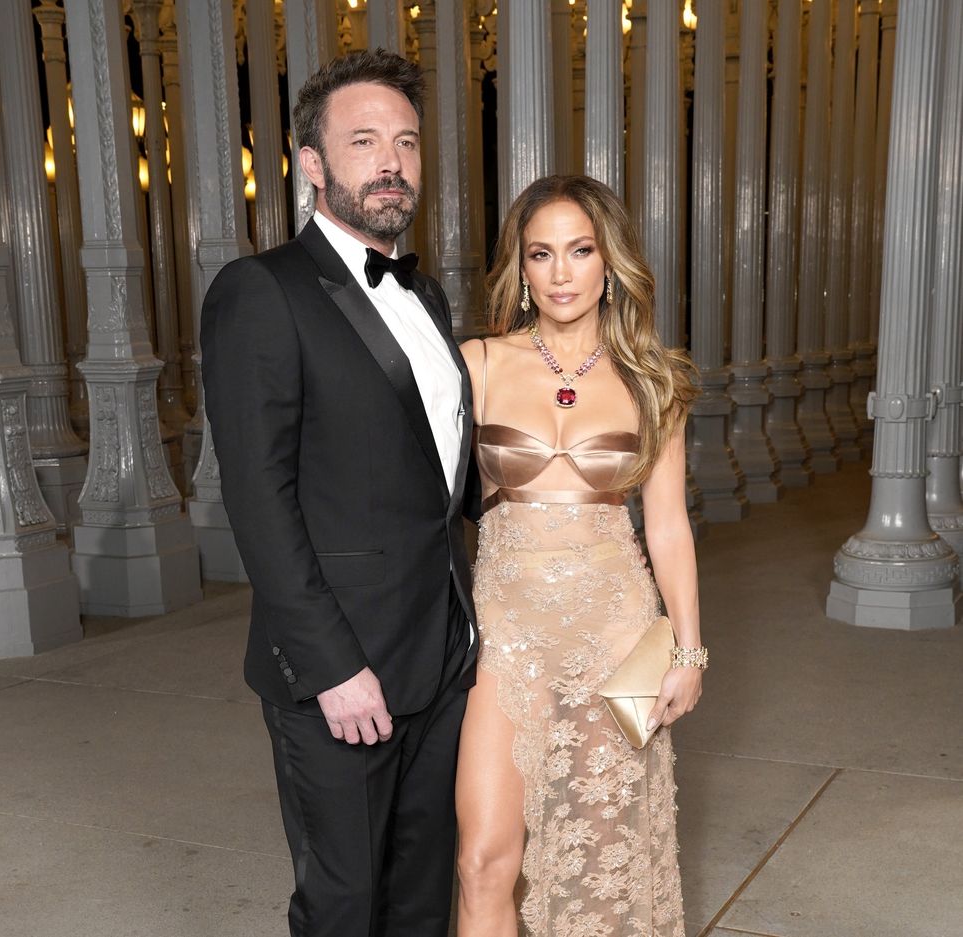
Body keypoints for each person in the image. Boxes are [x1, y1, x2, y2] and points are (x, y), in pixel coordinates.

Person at [200, 49, 478, 937]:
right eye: (363, 141)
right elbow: (258, 499)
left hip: (443, 654)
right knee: (345, 903)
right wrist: (332, 669)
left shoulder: (428, 295)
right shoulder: (261, 292)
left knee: (422, 895)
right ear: (312, 163)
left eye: (404, 140)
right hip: (341, 672)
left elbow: (438, 479)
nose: (390, 161)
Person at [455, 175, 706, 937]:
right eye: (541, 254)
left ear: (609, 262)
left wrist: (689, 650)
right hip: (504, 635)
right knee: (483, 859)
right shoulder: (477, 363)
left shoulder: (653, 379)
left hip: (614, 634)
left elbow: (666, 525)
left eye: (579, 250)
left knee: (603, 862)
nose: (561, 272)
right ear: (521, 269)